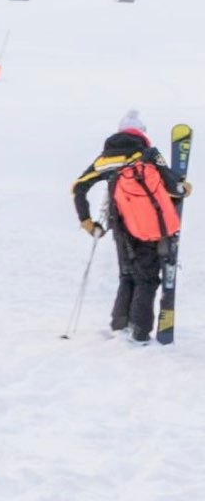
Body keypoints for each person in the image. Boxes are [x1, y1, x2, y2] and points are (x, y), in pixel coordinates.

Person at [71, 110, 189, 344]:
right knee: (147, 280)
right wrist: (185, 188)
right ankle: (140, 334)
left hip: (121, 227)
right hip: (151, 228)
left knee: (127, 275)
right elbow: (174, 186)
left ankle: (120, 325)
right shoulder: (148, 154)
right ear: (142, 134)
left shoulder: (105, 159)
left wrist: (87, 221)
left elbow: (79, 188)